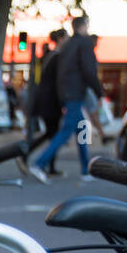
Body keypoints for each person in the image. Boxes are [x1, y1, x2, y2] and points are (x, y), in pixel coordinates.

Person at [31, 16, 104, 184]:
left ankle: (86, 170)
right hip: (75, 94)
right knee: (66, 133)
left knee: (81, 131)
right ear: (84, 26)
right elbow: (88, 70)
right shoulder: (83, 44)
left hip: (67, 94)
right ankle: (39, 163)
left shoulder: (68, 46)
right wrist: (98, 93)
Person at [29, 29, 68, 175]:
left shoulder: (50, 56)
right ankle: (32, 156)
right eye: (66, 37)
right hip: (51, 102)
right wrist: (64, 101)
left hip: (46, 101)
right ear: (60, 39)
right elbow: (59, 82)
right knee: (54, 134)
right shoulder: (57, 57)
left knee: (51, 133)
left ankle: (45, 163)